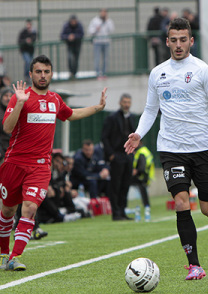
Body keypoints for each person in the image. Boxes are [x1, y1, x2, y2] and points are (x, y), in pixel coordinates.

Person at [125, 18, 208, 280]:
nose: (178, 45)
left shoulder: (204, 71)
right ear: (167, 41)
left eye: (183, 39)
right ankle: (194, 264)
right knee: (181, 202)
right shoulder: (158, 73)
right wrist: (139, 133)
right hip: (171, 148)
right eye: (173, 40)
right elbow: (151, 109)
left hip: (204, 147)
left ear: (191, 41)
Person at [0, 54, 107, 271]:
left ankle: (14, 256)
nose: (42, 75)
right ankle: (2, 253)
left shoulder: (55, 100)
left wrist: (97, 107)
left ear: (51, 74)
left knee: (29, 208)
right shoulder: (20, 97)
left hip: (40, 166)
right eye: (38, 71)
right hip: (14, 163)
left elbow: (71, 114)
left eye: (46, 72)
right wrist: (20, 103)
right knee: (8, 210)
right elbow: (7, 128)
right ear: (30, 74)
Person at [102, 93, 136, 221]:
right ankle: (116, 213)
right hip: (116, 156)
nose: (127, 105)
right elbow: (104, 137)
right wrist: (111, 155)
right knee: (115, 185)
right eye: (125, 102)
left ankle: (122, 211)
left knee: (125, 184)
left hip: (128, 156)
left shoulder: (131, 117)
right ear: (120, 103)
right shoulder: (112, 118)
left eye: (128, 102)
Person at [131, 141, 155, 221]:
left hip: (141, 178)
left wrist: (136, 171)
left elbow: (142, 167)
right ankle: (146, 212)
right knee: (144, 196)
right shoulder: (145, 150)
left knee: (140, 197)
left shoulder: (141, 153)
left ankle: (140, 213)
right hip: (146, 177)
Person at [88, 8, 115, 79]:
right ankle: (98, 73)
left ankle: (104, 73)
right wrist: (96, 29)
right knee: (97, 58)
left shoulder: (109, 21)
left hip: (106, 42)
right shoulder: (95, 20)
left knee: (106, 58)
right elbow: (90, 31)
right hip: (97, 42)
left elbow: (111, 30)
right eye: (102, 12)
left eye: (105, 12)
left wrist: (106, 22)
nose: (104, 14)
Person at [60, 15, 84, 79]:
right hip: (70, 45)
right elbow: (62, 35)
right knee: (70, 58)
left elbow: (82, 34)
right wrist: (68, 37)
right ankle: (71, 72)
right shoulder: (66, 25)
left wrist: (74, 36)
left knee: (76, 59)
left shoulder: (79, 25)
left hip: (77, 45)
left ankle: (74, 73)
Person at [0, 87, 14, 164]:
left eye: (11, 95)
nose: (8, 98)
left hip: (14, 153)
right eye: (6, 95)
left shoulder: (16, 110)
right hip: (3, 153)